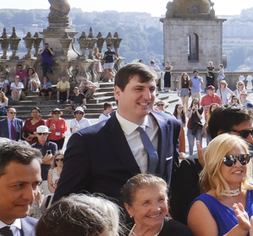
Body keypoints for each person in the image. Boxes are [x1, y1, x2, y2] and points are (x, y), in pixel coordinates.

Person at [54, 64, 182, 203]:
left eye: (152, 89)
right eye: (138, 89)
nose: (147, 96)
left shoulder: (170, 125)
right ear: (117, 93)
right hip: (113, 223)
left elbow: (174, 181)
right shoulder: (87, 141)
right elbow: (63, 201)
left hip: (160, 221)